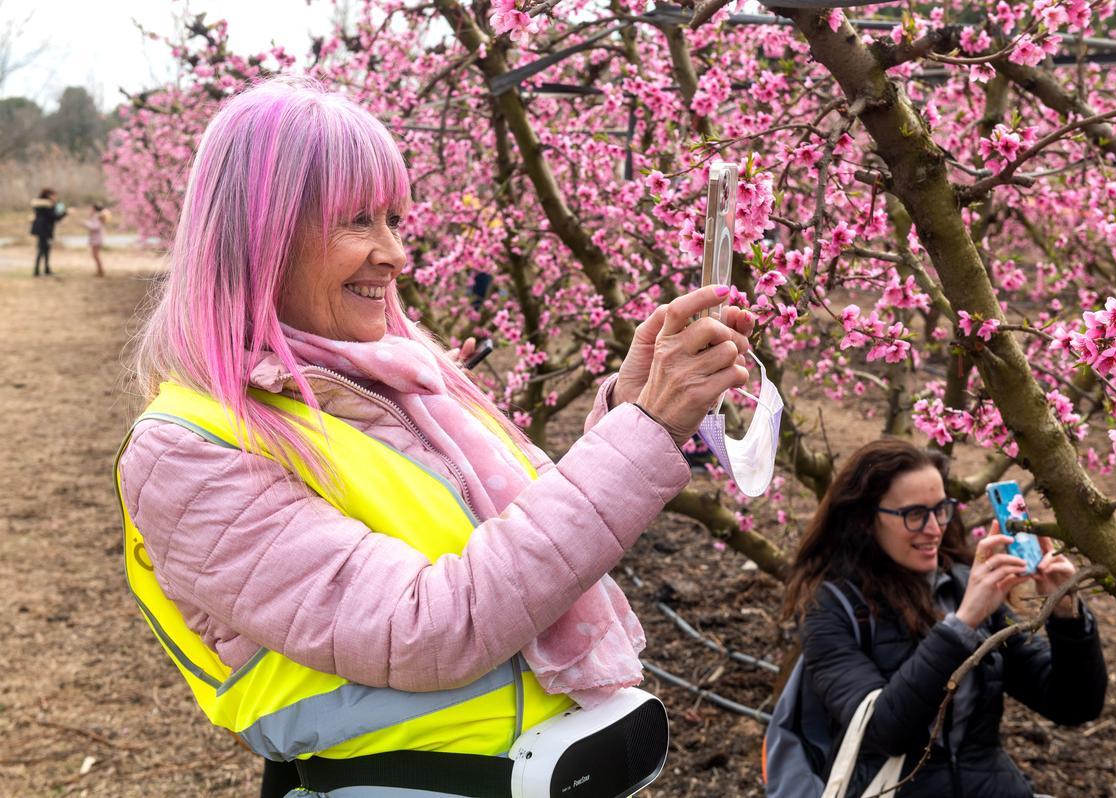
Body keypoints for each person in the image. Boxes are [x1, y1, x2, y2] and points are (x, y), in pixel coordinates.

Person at [114, 76, 755, 798]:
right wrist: (642, 436)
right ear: (260, 237)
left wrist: (628, 411)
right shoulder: (189, 451)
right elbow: (427, 627)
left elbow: (529, 527)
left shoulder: (400, 375)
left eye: (394, 220)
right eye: (357, 221)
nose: (394, 255)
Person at [780, 439, 1106, 798]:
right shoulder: (829, 607)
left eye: (941, 509)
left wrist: (1067, 616)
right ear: (864, 519)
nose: (935, 528)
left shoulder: (960, 584)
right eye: (915, 515)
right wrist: (962, 624)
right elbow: (884, 732)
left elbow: (1073, 705)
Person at [30, 188, 67, 277]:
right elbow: (55, 217)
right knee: (42, 250)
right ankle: (37, 271)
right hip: (45, 230)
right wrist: (65, 213)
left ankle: (45, 269)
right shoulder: (47, 206)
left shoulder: (39, 205)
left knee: (45, 250)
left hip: (42, 230)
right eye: (54, 195)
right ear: (49, 196)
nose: (55, 197)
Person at [83, 203, 110, 277]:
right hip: (96, 238)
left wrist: (85, 223)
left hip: (97, 239)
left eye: (91, 208)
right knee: (95, 255)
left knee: (96, 255)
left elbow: (95, 227)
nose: (90, 210)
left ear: (94, 209)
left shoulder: (98, 217)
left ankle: (101, 271)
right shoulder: (97, 216)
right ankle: (99, 270)